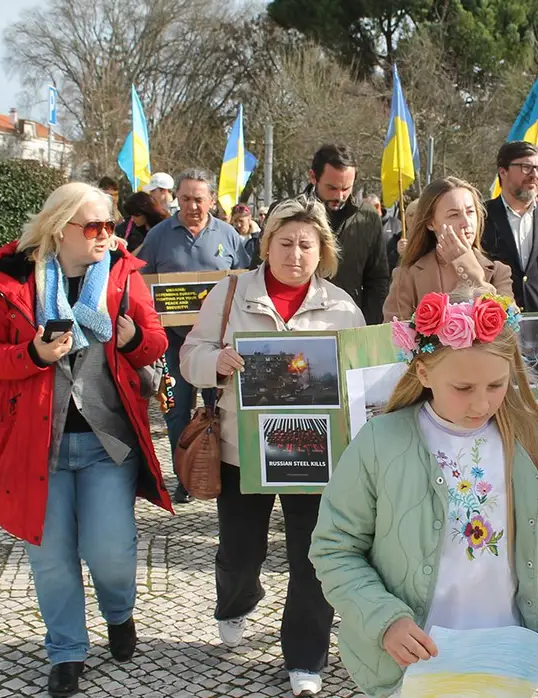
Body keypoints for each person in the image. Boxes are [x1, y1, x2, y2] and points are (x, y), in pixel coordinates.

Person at [310, 290, 538, 698]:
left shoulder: (534, 443)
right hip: (414, 665)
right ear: (422, 373)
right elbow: (334, 549)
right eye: (463, 387)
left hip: (506, 660)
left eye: (496, 384)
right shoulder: (380, 442)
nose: (482, 402)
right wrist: (385, 620)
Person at [0, 182, 171, 697]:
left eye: (110, 225)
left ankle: (119, 615)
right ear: (61, 229)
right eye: (95, 227)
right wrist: (31, 356)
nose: (108, 236)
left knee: (111, 554)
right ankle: (66, 652)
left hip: (108, 445)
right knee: (51, 560)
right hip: (39, 448)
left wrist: (132, 340)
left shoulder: (123, 275)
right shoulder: (14, 280)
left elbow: (156, 341)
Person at [179, 198, 365, 696]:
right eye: (285, 243)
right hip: (243, 453)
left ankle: (306, 657)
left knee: (313, 558)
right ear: (266, 245)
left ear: (322, 250)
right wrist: (214, 361)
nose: (295, 254)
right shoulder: (231, 292)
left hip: (313, 456)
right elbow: (189, 354)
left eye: (307, 245)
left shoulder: (343, 306)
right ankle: (236, 600)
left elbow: (359, 380)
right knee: (241, 552)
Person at [136, 171, 249, 503]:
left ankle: (220, 473)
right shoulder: (158, 236)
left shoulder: (228, 236)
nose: (192, 206)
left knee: (221, 411)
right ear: (177, 199)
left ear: (212, 201)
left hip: (218, 344)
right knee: (176, 410)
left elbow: (244, 280)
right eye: (185, 198)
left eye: (199, 199)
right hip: (173, 343)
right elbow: (142, 286)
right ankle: (184, 476)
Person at [382, 177, 512, 321]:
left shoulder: (499, 272)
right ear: (431, 223)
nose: (466, 223)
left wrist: (468, 268)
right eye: (454, 215)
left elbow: (510, 324)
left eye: (470, 212)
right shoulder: (407, 275)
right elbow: (392, 335)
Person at [480, 141, 538, 312]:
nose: (534, 175)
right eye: (526, 167)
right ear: (503, 171)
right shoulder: (481, 217)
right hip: (497, 327)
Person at [304, 144, 390, 324]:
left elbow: (377, 280)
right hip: (299, 319)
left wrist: (369, 326)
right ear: (313, 177)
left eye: (346, 188)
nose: (340, 196)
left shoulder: (367, 217)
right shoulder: (289, 213)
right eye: (332, 188)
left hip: (349, 320)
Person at [230, 203, 263, 269]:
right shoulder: (230, 237)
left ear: (249, 218)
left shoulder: (258, 238)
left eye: (241, 221)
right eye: (235, 221)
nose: (238, 225)